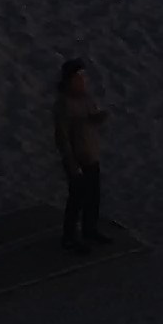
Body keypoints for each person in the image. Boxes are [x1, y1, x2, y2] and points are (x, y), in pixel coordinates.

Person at [55, 61, 108, 253]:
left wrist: (96, 119)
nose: (83, 80)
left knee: (94, 195)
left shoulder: (85, 99)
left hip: (90, 155)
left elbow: (89, 120)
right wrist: (71, 163)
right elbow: (62, 136)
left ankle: (89, 229)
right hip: (77, 158)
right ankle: (69, 237)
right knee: (77, 198)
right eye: (79, 77)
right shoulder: (64, 104)